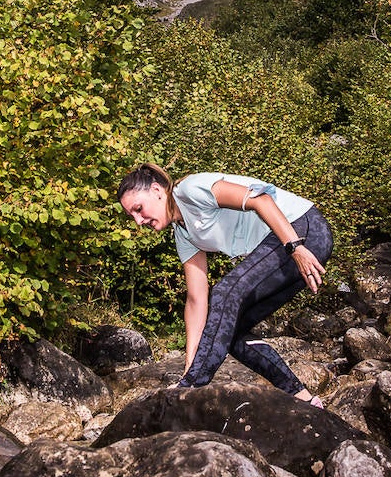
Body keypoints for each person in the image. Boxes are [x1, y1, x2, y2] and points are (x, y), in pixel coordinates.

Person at [117, 164, 333, 406]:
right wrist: (190, 364)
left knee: (227, 291)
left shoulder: (190, 190)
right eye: (131, 216)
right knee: (231, 330)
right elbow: (196, 299)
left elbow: (260, 199)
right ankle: (303, 398)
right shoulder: (184, 233)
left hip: (302, 231)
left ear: (157, 190)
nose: (138, 221)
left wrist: (295, 247)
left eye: (138, 209)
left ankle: (193, 385)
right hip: (289, 248)